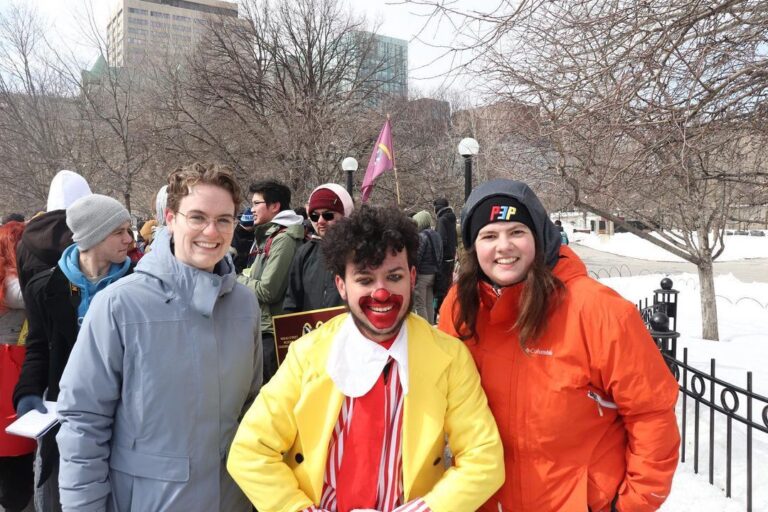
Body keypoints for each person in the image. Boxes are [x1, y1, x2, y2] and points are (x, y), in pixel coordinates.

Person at [228, 205, 504, 512]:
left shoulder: (449, 358)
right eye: (365, 279)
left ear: (412, 277)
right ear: (341, 286)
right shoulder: (307, 354)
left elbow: (484, 459)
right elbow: (249, 451)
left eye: (394, 276)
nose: (381, 293)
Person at [438, 179, 680, 512]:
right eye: (489, 236)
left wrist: (631, 505)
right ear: (473, 246)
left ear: (539, 236)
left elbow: (651, 415)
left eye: (517, 232)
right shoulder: (460, 309)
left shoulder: (600, 311)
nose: (503, 246)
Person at [55, 163, 263, 512]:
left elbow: (253, 407)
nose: (211, 232)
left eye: (224, 219)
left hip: (232, 499)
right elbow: (83, 421)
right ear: (171, 218)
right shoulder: (119, 305)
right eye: (197, 217)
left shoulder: (244, 303)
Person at [13, 194, 133, 512]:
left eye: (129, 230)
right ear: (93, 236)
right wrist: (27, 392)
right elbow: (39, 345)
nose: (129, 239)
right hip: (65, 422)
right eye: (119, 231)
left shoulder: (139, 285)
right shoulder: (44, 286)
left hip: (127, 420)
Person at [238, 179, 304, 384]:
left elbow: (268, 290)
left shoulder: (283, 239)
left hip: (273, 334)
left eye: (257, 203)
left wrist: (236, 279)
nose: (252, 209)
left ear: (275, 206)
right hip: (264, 328)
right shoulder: (270, 235)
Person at [0, 221, 35, 512]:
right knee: (15, 447)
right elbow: (29, 296)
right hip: (11, 368)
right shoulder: (13, 282)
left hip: (9, 365)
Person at [16, 170, 91, 292]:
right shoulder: (91, 233)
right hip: (89, 307)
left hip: (41, 307)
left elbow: (25, 286)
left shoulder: (24, 243)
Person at [283, 184, 353, 313]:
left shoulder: (359, 250)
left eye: (328, 215)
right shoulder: (304, 252)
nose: (320, 221)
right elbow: (292, 302)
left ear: (344, 215)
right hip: (313, 330)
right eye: (314, 216)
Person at [411, 210, 442, 324]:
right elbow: (440, 254)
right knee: (429, 302)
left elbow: (417, 256)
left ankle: (424, 328)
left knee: (420, 304)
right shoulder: (436, 235)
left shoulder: (422, 236)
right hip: (433, 273)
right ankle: (431, 325)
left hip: (423, 274)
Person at [432, 198, 457, 317]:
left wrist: (437, 255)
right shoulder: (451, 219)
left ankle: (441, 311)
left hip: (443, 258)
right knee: (447, 284)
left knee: (441, 287)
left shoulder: (442, 220)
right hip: (451, 256)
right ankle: (447, 309)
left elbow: (441, 240)